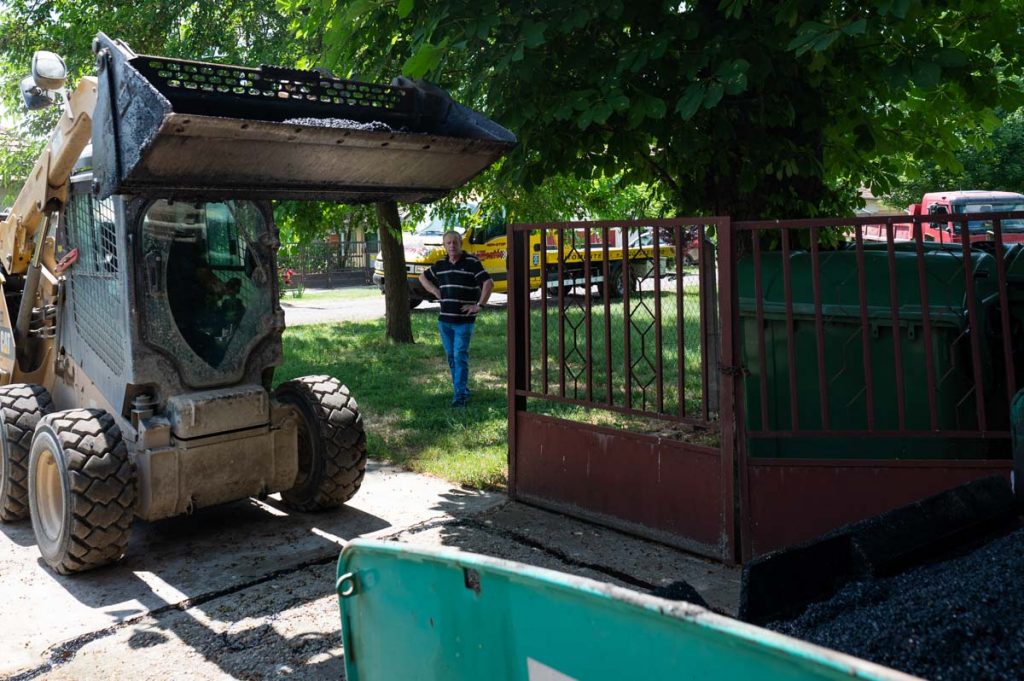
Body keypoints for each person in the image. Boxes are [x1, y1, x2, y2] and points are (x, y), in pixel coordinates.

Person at [418, 230, 493, 407]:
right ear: (444, 245)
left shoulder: (472, 262)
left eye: (455, 242)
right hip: (445, 321)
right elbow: (422, 277)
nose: (452, 246)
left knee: (460, 355)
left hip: (464, 321)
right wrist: (435, 291)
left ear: (461, 244)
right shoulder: (441, 264)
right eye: (448, 243)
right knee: (452, 357)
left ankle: (459, 396)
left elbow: (488, 283)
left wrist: (479, 305)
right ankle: (462, 389)